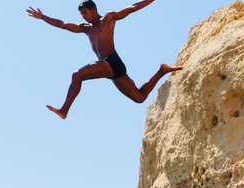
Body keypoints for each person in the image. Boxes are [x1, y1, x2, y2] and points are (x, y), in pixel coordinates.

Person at [27, 0, 183, 119]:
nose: (84, 16)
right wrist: (42, 17)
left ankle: (64, 110)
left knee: (77, 75)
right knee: (139, 97)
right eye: (82, 14)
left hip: (112, 61)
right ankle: (162, 70)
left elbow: (132, 8)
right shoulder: (86, 29)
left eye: (86, 12)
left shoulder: (107, 19)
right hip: (110, 69)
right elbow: (64, 25)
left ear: (94, 9)